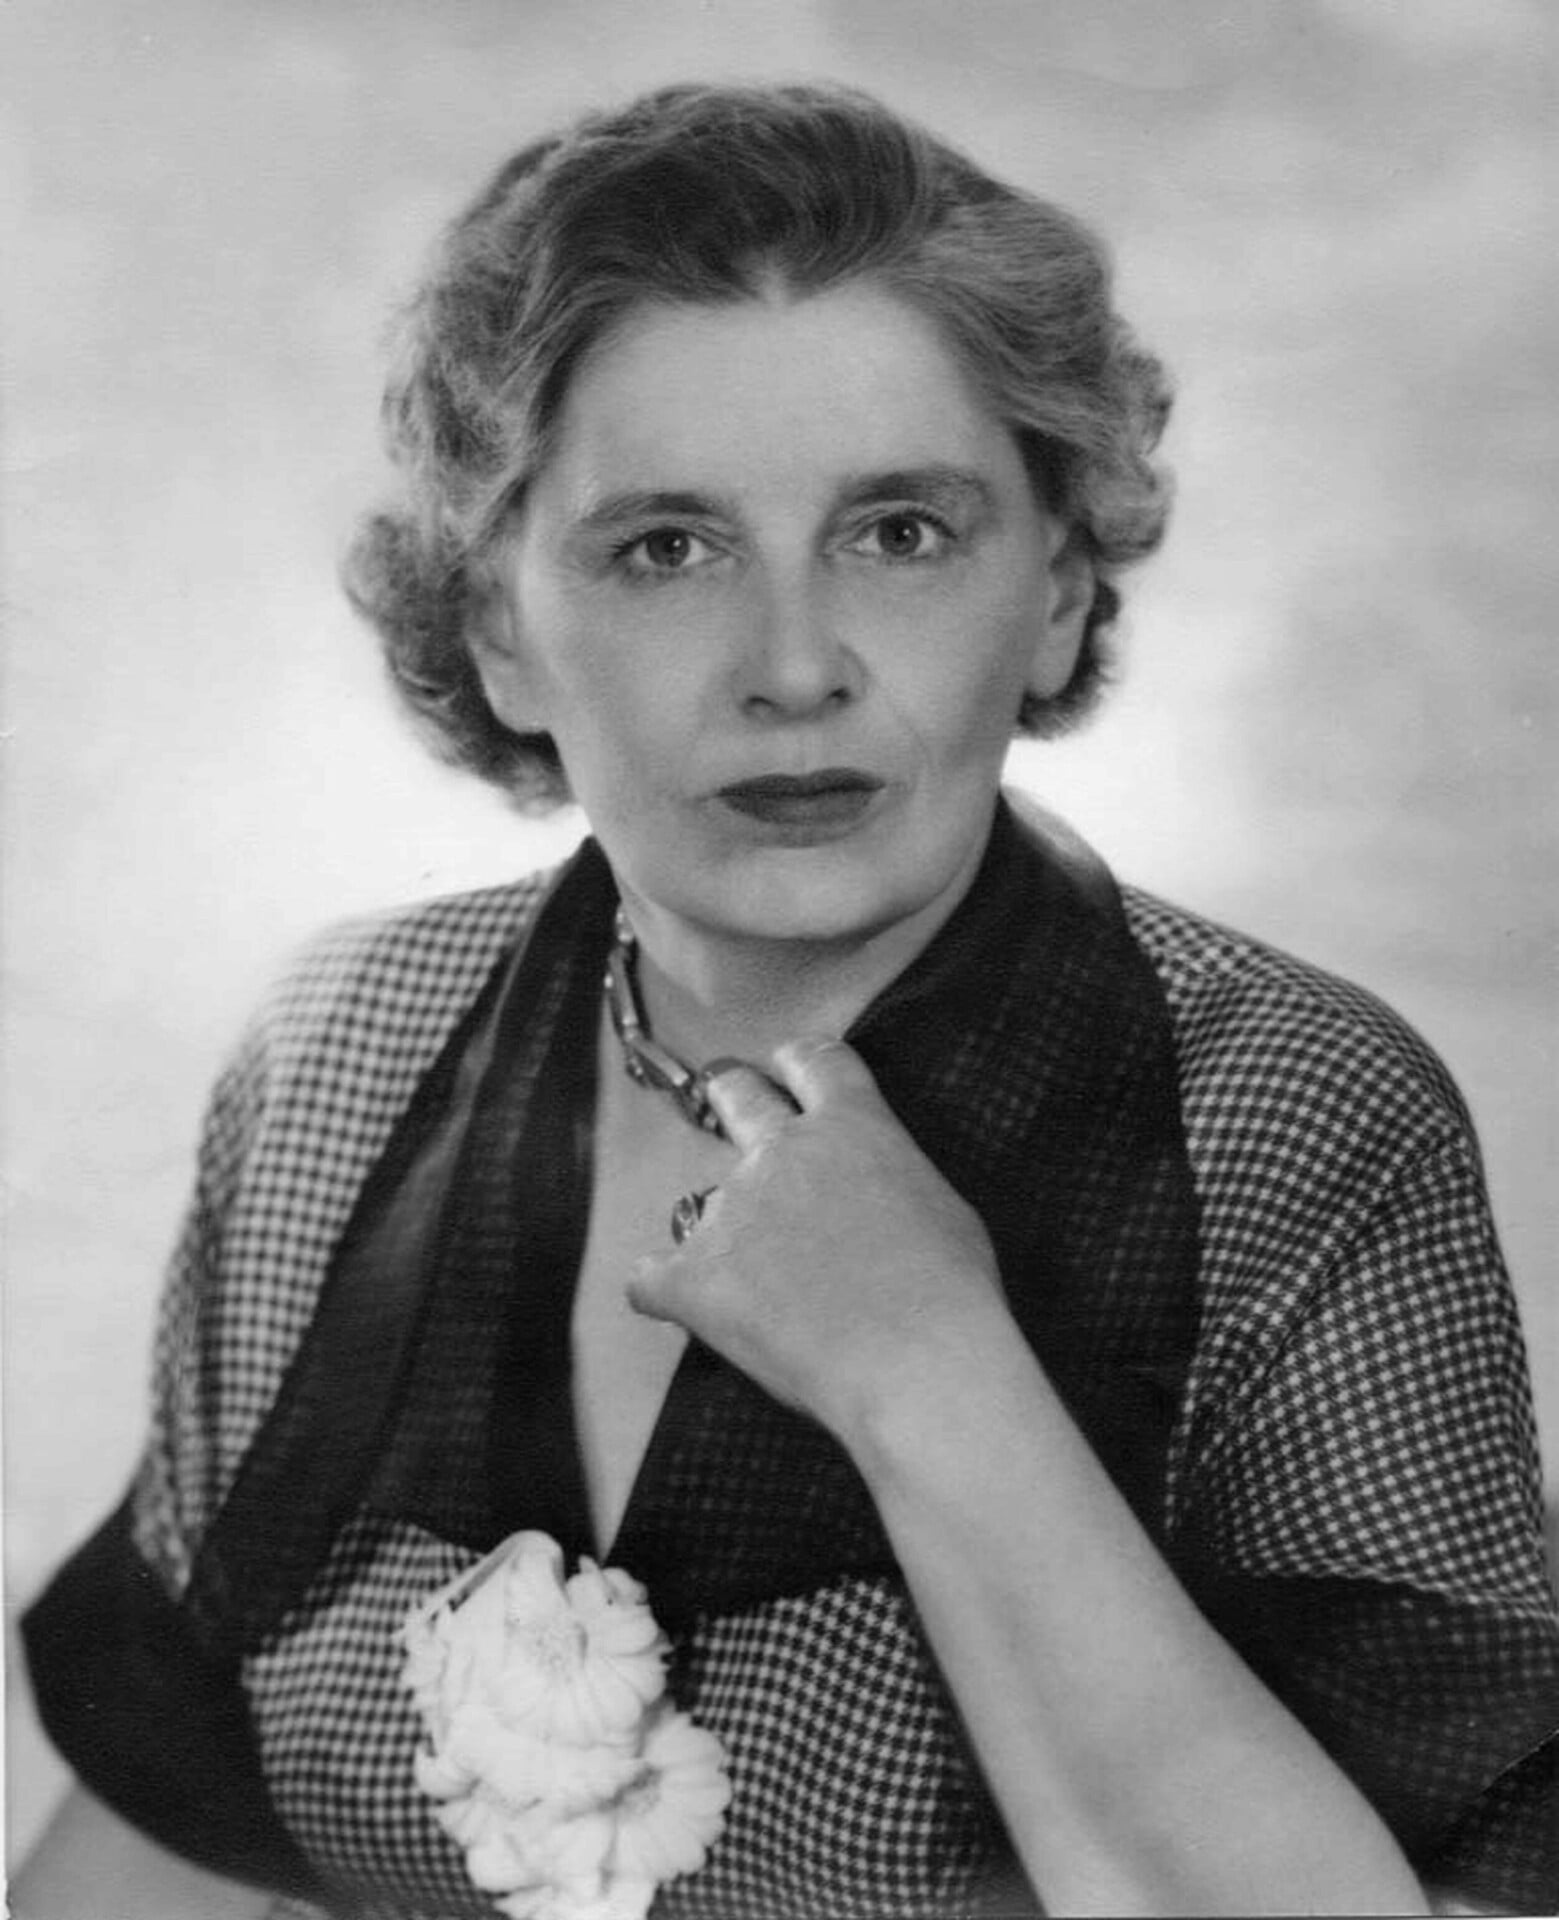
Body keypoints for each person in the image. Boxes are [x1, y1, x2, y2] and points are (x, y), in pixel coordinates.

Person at [16, 81, 1558, 1920]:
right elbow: (171, 1840)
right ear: (501, 630)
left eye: (900, 532)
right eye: (666, 548)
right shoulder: (346, 1046)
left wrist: (932, 1372)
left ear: (1057, 595)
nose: (796, 666)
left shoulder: (1285, 1110)